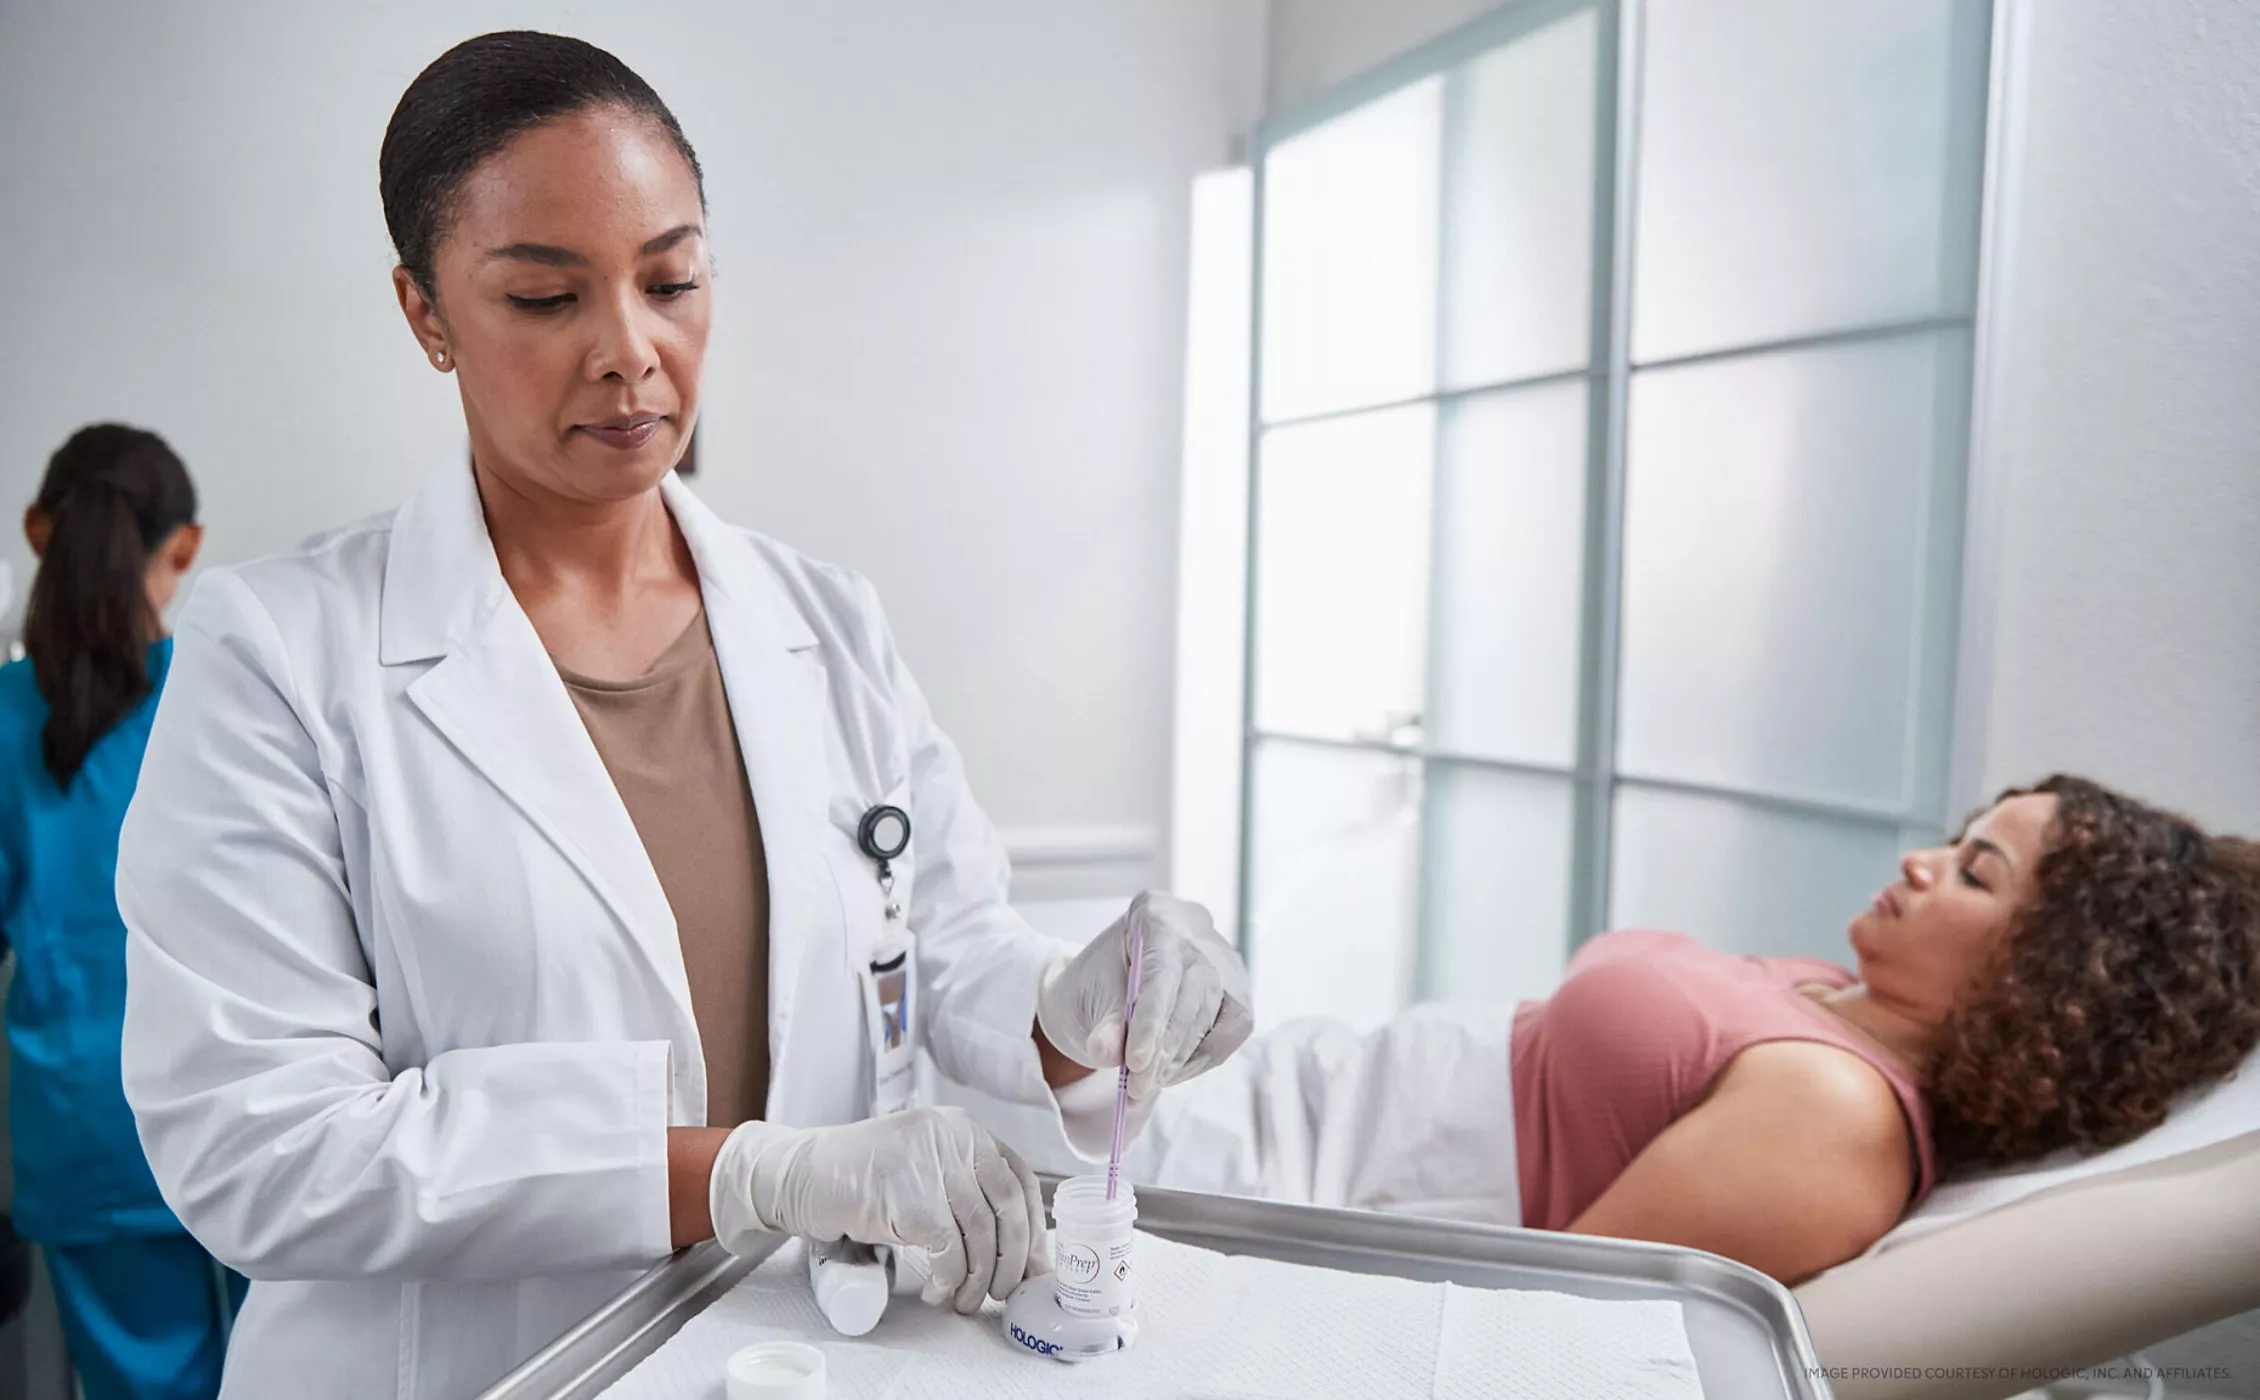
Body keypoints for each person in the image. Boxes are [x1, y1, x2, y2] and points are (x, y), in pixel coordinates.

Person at [115, 32, 1252, 1400]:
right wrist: (748, 1172)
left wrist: (1087, 1006)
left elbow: (944, 958)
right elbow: (264, 1151)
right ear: (426, 315)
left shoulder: (824, 624)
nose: (630, 353)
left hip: (785, 1362)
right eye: (545, 297)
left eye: (672, 281)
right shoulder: (282, 654)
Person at [1109, 776, 2260, 1285]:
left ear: (2040, 975)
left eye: (1974, 868)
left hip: (1285, 1181)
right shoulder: (1830, 994)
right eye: (1960, 834)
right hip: (1297, 1089)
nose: (1923, 858)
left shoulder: (1839, 1121)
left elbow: (1550, 1304)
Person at [0, 424, 246, 1400]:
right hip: (250, 1104)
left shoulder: (5, 713)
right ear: (183, 545)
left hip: (84, 1130)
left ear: (37, 529)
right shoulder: (237, 694)